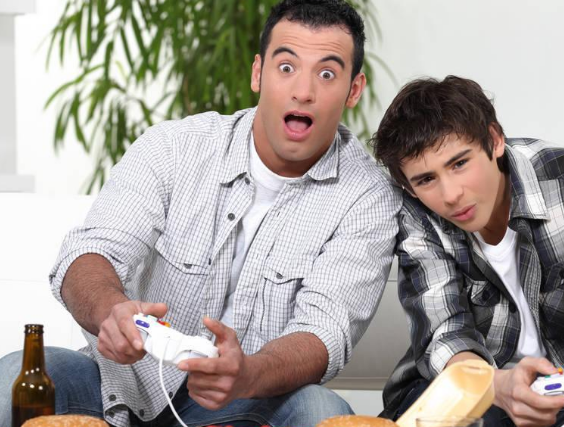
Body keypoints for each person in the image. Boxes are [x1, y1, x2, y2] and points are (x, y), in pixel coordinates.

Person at [0, 1, 401, 426]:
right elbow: (91, 252)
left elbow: (325, 331)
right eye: (286, 68)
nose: (303, 91)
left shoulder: (368, 197)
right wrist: (110, 311)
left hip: (245, 399)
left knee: (321, 409)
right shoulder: (174, 147)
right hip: (121, 385)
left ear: (353, 90)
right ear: (258, 73)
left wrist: (248, 374)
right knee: (14, 375)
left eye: (327, 74)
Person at [370, 75, 564, 427]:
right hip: (470, 388)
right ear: (409, 187)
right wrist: (499, 387)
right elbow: (446, 334)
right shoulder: (414, 213)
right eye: (426, 179)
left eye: (459, 164)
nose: (451, 194)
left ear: (494, 140)